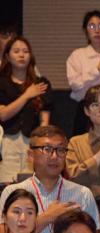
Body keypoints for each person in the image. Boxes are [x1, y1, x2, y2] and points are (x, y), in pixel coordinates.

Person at [0, 124, 100, 233]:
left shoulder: (83, 194)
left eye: (60, 150)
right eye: (47, 149)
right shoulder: (12, 192)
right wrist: (48, 217)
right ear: (31, 155)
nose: (54, 156)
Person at [0, 36, 52, 183]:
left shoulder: (41, 83)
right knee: (7, 184)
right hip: (7, 141)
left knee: (32, 185)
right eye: (16, 51)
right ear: (7, 56)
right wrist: (27, 95)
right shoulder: (2, 83)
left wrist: (41, 144)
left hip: (33, 142)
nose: (21, 55)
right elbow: (3, 115)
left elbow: (45, 119)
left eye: (25, 51)